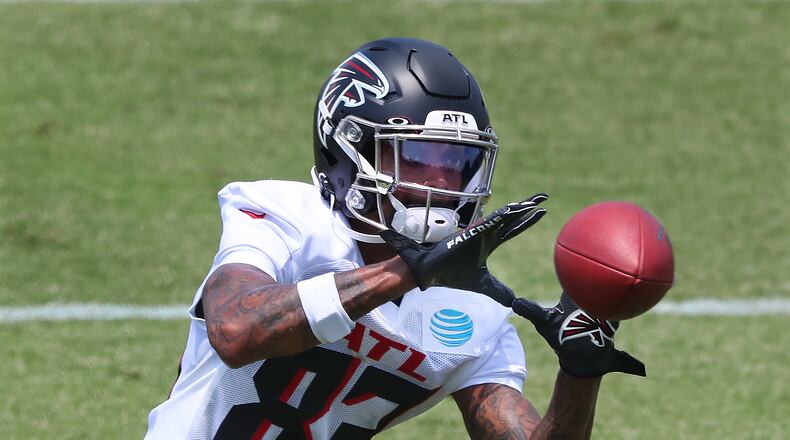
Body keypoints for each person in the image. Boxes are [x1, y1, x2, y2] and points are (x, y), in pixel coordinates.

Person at [145, 37, 645, 440]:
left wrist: (580, 374)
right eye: (419, 159)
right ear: (346, 150)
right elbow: (236, 330)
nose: (442, 185)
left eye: (458, 165)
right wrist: (408, 272)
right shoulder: (285, 216)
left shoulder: (478, 318)